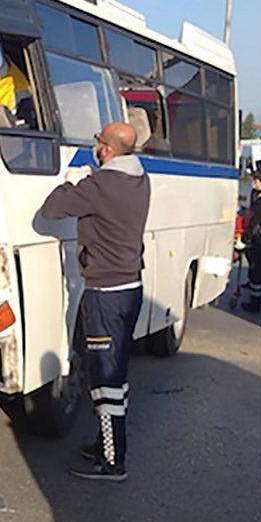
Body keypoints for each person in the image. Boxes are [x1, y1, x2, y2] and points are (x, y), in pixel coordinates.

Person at [40, 122, 151, 482]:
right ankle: (109, 444)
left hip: (105, 293)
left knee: (105, 378)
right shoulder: (139, 178)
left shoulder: (100, 185)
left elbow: (51, 210)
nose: (95, 146)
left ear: (107, 151)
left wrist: (73, 181)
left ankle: (111, 461)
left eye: (98, 142)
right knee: (116, 373)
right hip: (130, 287)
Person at [241, 168, 261, 313]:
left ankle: (255, 304)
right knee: (254, 265)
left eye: (255, 180)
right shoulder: (256, 194)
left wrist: (246, 238)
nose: (252, 182)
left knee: (257, 269)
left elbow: (255, 221)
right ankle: (252, 283)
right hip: (258, 237)